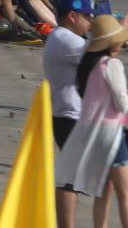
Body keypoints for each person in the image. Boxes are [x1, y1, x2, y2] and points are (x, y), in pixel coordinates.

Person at [55, 14, 128, 228]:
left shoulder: (88, 66)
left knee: (103, 192)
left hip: (91, 134)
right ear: (111, 41)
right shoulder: (112, 65)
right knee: (124, 194)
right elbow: (122, 103)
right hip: (111, 134)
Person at [46, 0, 97, 151]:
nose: (91, 21)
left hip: (68, 119)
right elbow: (102, 59)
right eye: (87, 16)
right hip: (71, 121)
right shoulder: (67, 40)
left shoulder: (58, 36)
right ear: (72, 16)